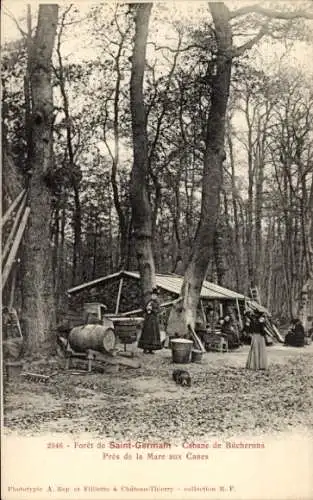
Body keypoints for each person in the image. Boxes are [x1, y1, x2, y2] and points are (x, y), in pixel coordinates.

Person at [138, 288, 162, 354]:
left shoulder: (157, 302)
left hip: (154, 320)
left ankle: (151, 349)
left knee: (153, 334)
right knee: (146, 333)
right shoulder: (149, 301)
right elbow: (144, 309)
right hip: (148, 320)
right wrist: (146, 309)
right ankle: (145, 348)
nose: (153, 296)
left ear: (156, 296)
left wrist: (152, 310)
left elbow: (159, 311)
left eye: (155, 295)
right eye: (152, 295)